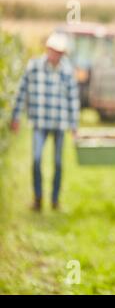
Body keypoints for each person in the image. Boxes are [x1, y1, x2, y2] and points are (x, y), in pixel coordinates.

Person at [11, 32, 80, 212]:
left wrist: (74, 125)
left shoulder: (67, 71)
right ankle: (38, 198)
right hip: (40, 122)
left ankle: (55, 200)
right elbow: (22, 92)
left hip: (59, 123)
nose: (54, 54)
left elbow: (73, 98)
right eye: (52, 50)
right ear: (47, 49)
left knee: (57, 162)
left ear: (62, 53)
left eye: (58, 52)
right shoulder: (34, 67)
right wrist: (16, 116)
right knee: (36, 159)